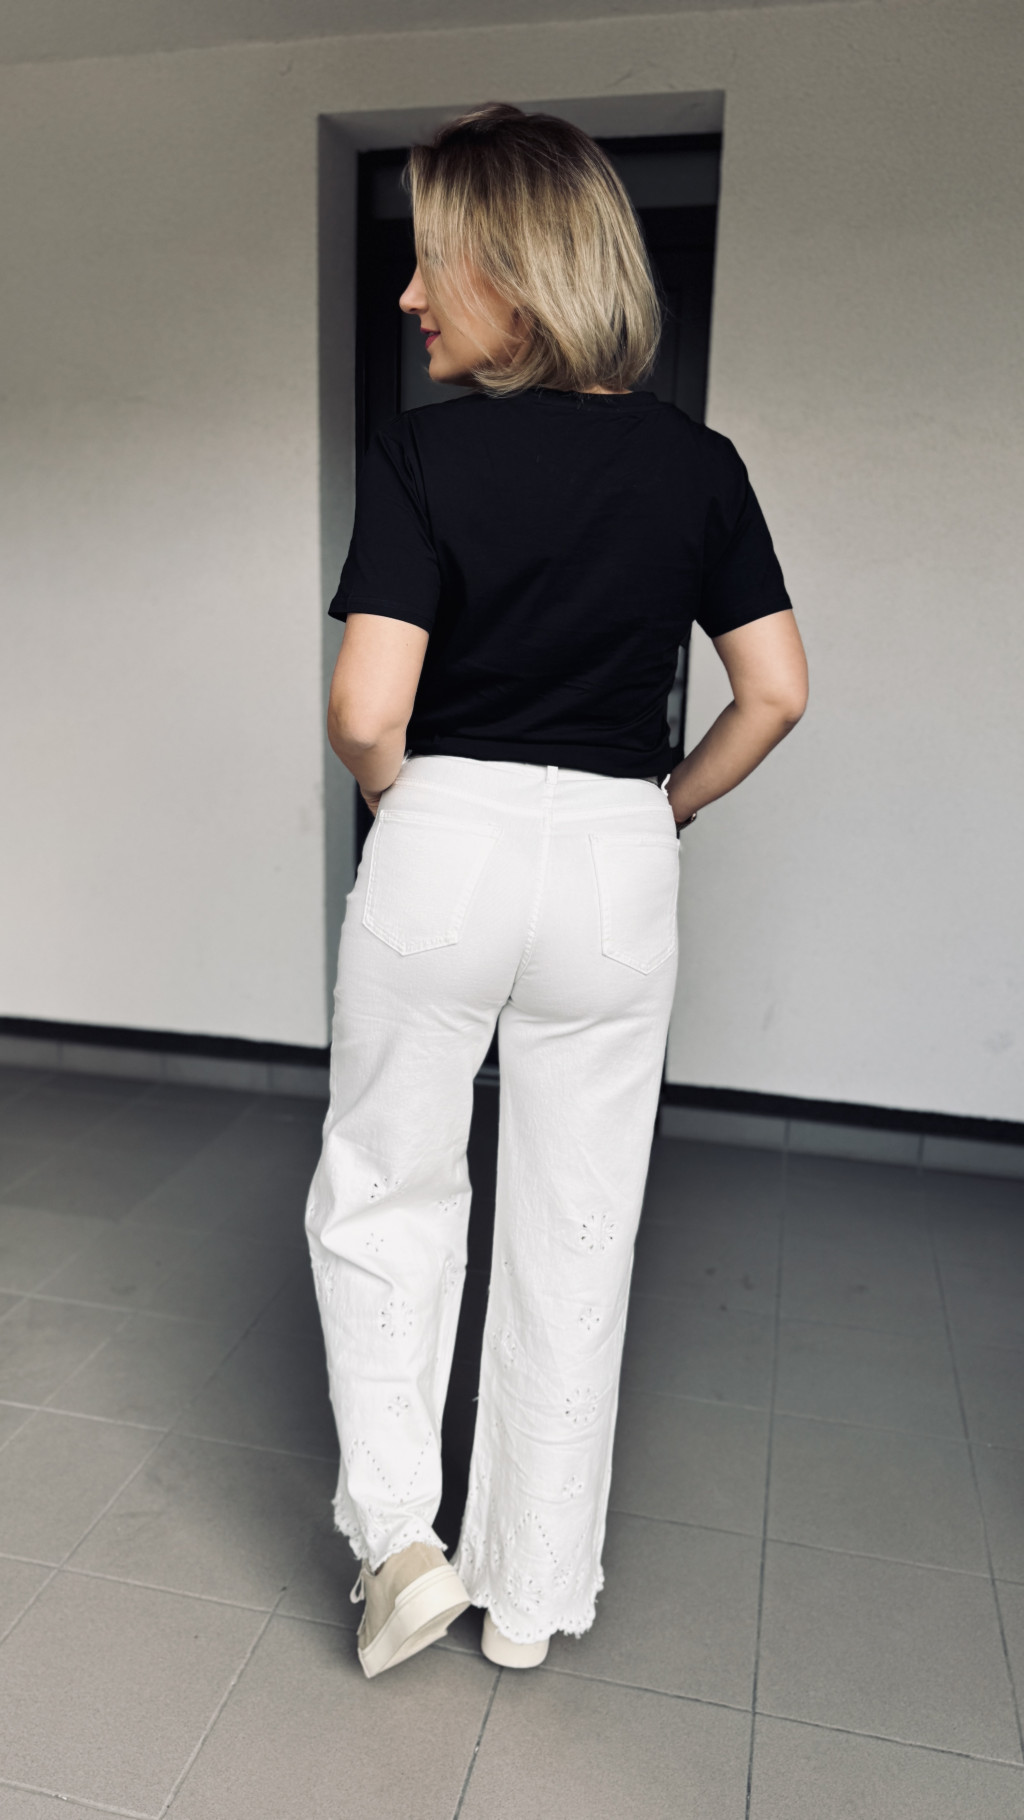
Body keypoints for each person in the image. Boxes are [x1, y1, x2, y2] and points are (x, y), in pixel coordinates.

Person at [304, 100, 808, 1681]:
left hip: (445, 835)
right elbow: (778, 692)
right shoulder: (699, 467)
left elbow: (365, 709)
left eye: (434, 261)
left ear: (517, 273)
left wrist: (398, 798)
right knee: (578, 1222)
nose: (409, 295)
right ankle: (529, 1597)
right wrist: (666, 806)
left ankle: (402, 1543)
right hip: (614, 858)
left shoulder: (424, 451)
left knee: (389, 1188)